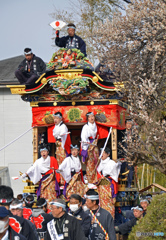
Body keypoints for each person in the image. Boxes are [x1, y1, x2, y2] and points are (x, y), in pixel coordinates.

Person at [81, 112, 108, 183]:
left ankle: (96, 179)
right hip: (89, 146)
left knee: (96, 161)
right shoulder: (85, 127)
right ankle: (90, 180)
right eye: (89, 117)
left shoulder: (95, 125)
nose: (91, 118)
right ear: (87, 118)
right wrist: (86, 147)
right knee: (90, 163)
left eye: (92, 116)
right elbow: (84, 138)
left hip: (95, 145)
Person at [96, 147, 122, 218]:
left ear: (108, 154)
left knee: (109, 206)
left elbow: (114, 175)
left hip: (108, 187)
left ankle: (109, 222)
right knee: (101, 205)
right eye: (101, 152)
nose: (102, 154)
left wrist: (104, 174)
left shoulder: (112, 163)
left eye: (103, 153)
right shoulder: (99, 163)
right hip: (101, 187)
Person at [52, 112, 71, 186]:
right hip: (58, 145)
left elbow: (63, 134)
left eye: (57, 118)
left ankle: (65, 179)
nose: (55, 120)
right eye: (55, 118)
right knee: (59, 162)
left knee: (63, 162)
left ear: (60, 118)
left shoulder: (63, 126)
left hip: (62, 145)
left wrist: (59, 135)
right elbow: (54, 135)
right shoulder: (56, 126)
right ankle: (60, 180)